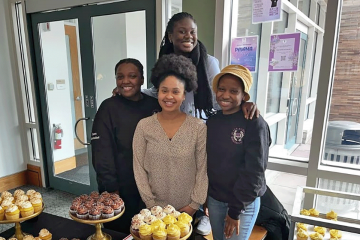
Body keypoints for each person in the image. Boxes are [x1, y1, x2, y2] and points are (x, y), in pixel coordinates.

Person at [113, 12, 259, 120]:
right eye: (182, 32)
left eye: (192, 32)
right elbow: (158, 91)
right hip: (172, 125)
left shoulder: (208, 63)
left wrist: (242, 104)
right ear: (170, 36)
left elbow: (218, 98)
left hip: (202, 128)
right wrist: (133, 90)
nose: (188, 36)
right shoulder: (165, 62)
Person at [91, 58, 161, 233]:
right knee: (121, 231)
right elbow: (101, 152)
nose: (126, 81)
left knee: (148, 230)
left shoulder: (154, 106)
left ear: (142, 79)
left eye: (132, 76)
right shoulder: (108, 108)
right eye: (120, 77)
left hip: (152, 185)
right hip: (121, 186)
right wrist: (111, 188)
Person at [133, 54, 208, 216]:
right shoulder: (144, 126)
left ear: (184, 95)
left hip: (186, 210)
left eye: (175, 92)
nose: (169, 96)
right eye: (164, 91)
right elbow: (138, 167)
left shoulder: (198, 128)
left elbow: (203, 169)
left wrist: (194, 205)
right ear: (157, 92)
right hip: (152, 210)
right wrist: (151, 204)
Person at [206, 65, 271, 240]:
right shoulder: (212, 121)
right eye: (221, 89)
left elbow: (255, 171)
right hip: (215, 200)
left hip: (243, 204)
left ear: (244, 95)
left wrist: (234, 212)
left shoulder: (253, 122)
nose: (225, 95)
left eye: (234, 91)